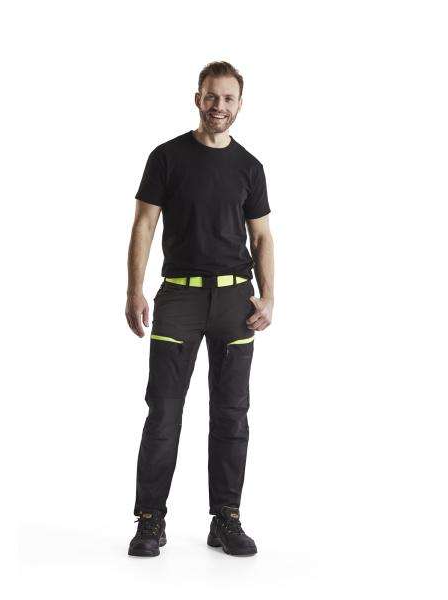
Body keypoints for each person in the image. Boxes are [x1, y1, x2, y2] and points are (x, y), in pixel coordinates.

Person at [125, 61, 274, 557]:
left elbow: (262, 236)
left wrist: (268, 296)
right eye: (211, 96)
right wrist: (134, 291)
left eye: (228, 99)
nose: (219, 106)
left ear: (239, 104)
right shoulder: (167, 157)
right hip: (179, 298)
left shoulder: (249, 167)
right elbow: (144, 225)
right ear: (198, 98)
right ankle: (150, 520)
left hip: (235, 300)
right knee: (164, 411)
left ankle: (225, 518)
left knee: (232, 414)